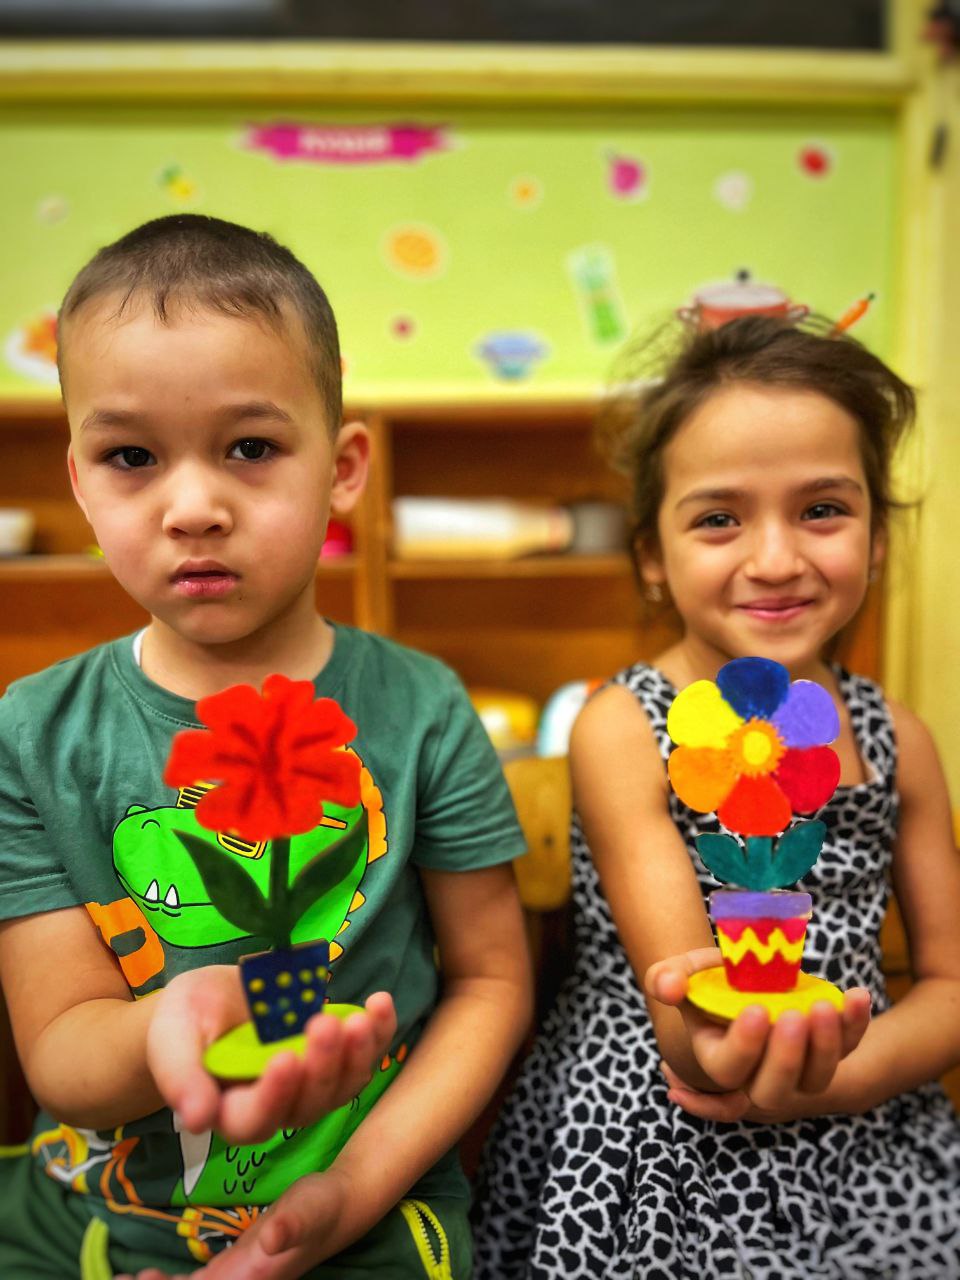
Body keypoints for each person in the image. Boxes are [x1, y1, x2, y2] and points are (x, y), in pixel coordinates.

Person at [0, 214, 532, 1280]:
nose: (193, 506)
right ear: (79, 483)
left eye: (250, 447)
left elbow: (489, 980)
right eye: (131, 457)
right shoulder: (30, 731)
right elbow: (61, 1050)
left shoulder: (423, 706)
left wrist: (352, 1192)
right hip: (83, 1221)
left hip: (371, 1206)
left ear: (342, 468)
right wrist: (162, 1032)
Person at [472, 314, 960, 1279]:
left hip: (865, 1123)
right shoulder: (623, 723)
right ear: (653, 554)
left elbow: (950, 986)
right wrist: (745, 1065)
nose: (775, 558)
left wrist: (843, 1079)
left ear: (876, 537)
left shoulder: (896, 738)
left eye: (823, 509)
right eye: (719, 518)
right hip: (657, 1131)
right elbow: (688, 1018)